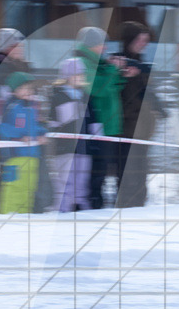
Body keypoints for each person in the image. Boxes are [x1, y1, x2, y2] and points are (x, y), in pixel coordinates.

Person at [75, 26, 125, 209]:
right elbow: (97, 89)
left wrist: (122, 74)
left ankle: (98, 206)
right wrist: (112, 70)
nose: (105, 48)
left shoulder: (100, 63)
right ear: (92, 45)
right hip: (97, 126)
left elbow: (113, 88)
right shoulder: (83, 63)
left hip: (109, 125)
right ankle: (93, 207)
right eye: (101, 44)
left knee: (104, 172)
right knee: (97, 172)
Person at [115, 21, 163, 208]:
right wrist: (125, 76)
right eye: (140, 39)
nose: (144, 43)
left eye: (146, 40)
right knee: (127, 169)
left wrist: (160, 109)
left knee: (141, 168)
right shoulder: (118, 62)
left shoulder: (142, 65)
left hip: (142, 128)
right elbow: (117, 94)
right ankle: (125, 204)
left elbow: (147, 92)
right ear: (130, 39)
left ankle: (139, 203)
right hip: (125, 128)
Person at [0, 72, 47, 213]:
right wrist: (21, 136)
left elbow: (34, 126)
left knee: (29, 189)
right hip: (14, 158)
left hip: (32, 156)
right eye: (25, 88)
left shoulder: (31, 107)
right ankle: (6, 218)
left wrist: (42, 133)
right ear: (15, 90)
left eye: (30, 88)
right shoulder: (10, 106)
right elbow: (2, 127)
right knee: (13, 190)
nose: (29, 91)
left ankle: (24, 219)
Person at [48, 58, 91, 213]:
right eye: (75, 74)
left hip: (83, 148)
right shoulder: (57, 96)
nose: (79, 77)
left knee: (81, 183)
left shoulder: (85, 96)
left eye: (81, 74)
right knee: (65, 183)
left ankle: (82, 213)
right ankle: (62, 212)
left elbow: (90, 120)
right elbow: (54, 123)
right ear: (67, 76)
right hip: (65, 149)